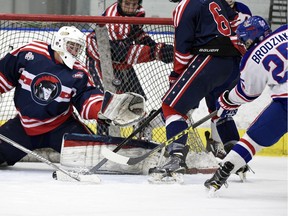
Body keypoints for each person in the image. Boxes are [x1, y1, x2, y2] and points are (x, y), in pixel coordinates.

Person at [0, 26, 145, 166]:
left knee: (94, 158)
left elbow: (87, 98)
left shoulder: (78, 72)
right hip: (24, 126)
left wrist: (104, 109)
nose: (74, 51)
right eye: (71, 46)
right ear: (59, 42)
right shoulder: (31, 53)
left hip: (61, 127)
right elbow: (4, 73)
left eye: (77, 48)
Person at [148, 0, 246, 182]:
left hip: (211, 59)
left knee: (172, 107)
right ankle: (237, 158)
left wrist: (176, 78)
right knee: (220, 109)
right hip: (233, 62)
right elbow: (234, 23)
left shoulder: (184, 6)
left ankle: (176, 159)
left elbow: (182, 50)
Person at [204, 16, 287, 191]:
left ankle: (222, 173)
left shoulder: (252, 58)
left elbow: (247, 94)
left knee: (253, 139)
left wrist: (225, 101)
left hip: (285, 103)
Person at [86, 0, 174, 137]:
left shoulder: (138, 13)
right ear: (120, 2)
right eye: (127, 4)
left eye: (134, 5)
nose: (131, 8)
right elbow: (120, 54)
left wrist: (153, 45)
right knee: (107, 101)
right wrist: (156, 52)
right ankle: (104, 137)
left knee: (137, 99)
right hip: (100, 60)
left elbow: (137, 34)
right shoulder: (113, 20)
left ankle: (140, 134)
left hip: (119, 61)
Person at [206, 0, 252, 158]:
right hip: (210, 63)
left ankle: (216, 144)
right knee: (189, 106)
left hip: (234, 66)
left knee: (222, 107)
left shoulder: (244, 10)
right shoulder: (211, 7)